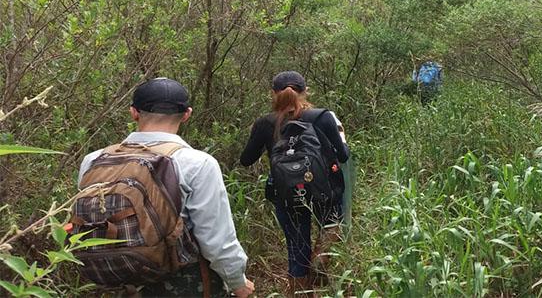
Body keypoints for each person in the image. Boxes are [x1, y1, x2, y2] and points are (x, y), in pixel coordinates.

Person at [76, 78, 254, 297]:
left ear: (134, 112)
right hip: (183, 283)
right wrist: (238, 282)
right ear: (187, 114)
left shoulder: (94, 160)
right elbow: (217, 241)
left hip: (113, 281)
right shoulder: (197, 163)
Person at [240, 71, 349, 296]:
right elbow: (344, 156)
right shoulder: (322, 117)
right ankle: (319, 262)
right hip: (324, 191)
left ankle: (301, 290)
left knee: (297, 250)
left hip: (287, 195)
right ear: (305, 91)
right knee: (331, 228)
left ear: (273, 94)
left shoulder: (265, 123)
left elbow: (246, 160)